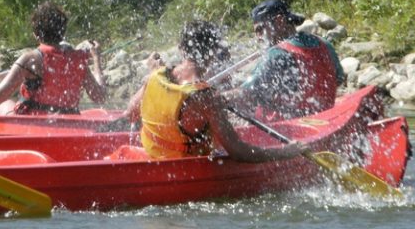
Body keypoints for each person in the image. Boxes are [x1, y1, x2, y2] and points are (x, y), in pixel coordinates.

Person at [125, 19, 308, 162]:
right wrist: (287, 152)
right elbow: (239, 152)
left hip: (153, 158)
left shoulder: (157, 75)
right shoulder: (205, 95)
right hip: (185, 168)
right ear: (213, 53)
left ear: (181, 48)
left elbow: (131, 113)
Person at [0, 1, 107, 115]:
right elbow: (100, 97)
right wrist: (96, 59)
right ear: (63, 32)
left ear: (36, 34)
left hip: (35, 123)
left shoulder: (31, 59)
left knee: (5, 104)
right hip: (69, 121)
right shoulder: (77, 59)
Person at [230, 0, 345, 121]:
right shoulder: (325, 44)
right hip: (325, 119)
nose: (258, 37)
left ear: (279, 21)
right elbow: (339, 79)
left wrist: (218, 98)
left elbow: (246, 93)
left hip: (290, 129)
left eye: (260, 30)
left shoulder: (276, 54)